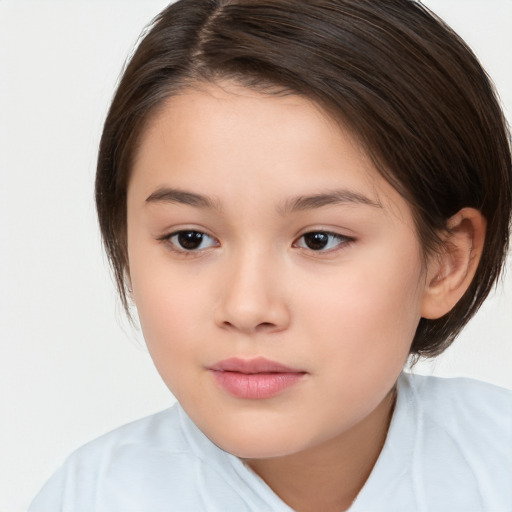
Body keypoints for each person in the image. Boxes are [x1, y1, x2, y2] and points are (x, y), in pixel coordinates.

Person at [29, 0, 512, 510]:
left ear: (446, 262)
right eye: (190, 238)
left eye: (319, 239)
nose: (247, 307)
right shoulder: (90, 497)